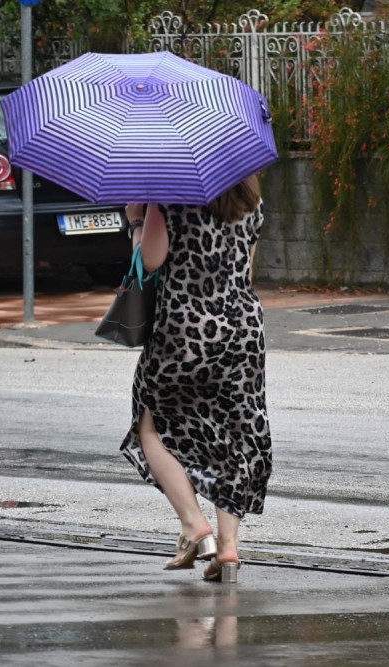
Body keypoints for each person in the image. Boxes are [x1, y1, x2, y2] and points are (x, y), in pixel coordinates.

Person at [120, 173, 272, 584]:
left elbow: (150, 260)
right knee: (235, 433)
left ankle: (193, 524)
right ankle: (228, 549)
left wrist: (138, 220)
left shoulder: (168, 197)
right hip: (243, 329)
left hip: (185, 329)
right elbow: (247, 269)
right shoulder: (252, 200)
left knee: (149, 420)